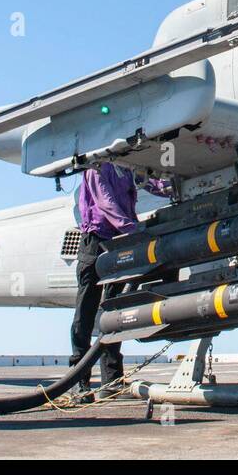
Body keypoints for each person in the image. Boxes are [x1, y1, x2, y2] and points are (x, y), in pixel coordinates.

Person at [68, 163, 169, 401]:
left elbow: (150, 183)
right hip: (96, 243)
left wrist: (174, 186)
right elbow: (106, 203)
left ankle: (111, 380)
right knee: (86, 311)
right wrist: (134, 229)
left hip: (120, 242)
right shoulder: (96, 168)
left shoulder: (128, 167)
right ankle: (77, 380)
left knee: (114, 311)